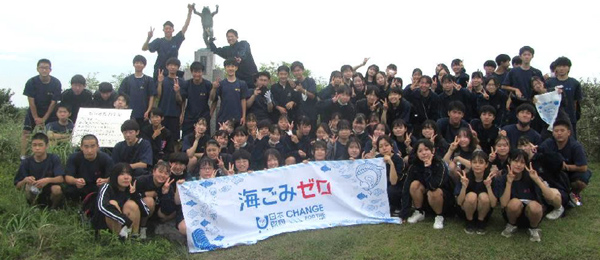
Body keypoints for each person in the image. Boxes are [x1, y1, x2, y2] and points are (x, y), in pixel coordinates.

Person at [494, 150, 560, 242]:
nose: (518, 165)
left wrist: (537, 180)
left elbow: (550, 197)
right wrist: (509, 182)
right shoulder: (502, 178)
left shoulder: (530, 176)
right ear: (509, 161)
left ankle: (533, 228)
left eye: (522, 162)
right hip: (511, 214)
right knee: (514, 203)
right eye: (516, 161)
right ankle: (511, 225)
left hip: (532, 214)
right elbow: (503, 204)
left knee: (535, 206)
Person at [403, 139, 454, 229]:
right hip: (426, 197)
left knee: (433, 192)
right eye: (420, 151)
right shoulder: (414, 166)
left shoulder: (440, 164)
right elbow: (406, 187)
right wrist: (404, 212)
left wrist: (428, 168)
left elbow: (433, 186)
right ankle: (419, 212)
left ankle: (439, 216)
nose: (424, 153)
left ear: (432, 151)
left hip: (443, 198)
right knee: (414, 185)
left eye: (426, 149)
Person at [538, 119, 591, 207]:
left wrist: (566, 167)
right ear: (553, 133)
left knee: (581, 180)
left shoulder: (576, 146)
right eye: (556, 131)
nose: (559, 133)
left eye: (562, 131)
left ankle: (574, 194)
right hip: (553, 172)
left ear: (569, 132)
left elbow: (583, 167)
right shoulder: (548, 143)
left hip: (571, 172)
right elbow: (539, 153)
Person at [21, 59, 62, 159]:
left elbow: (53, 103)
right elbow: (31, 101)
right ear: (38, 69)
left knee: (51, 134)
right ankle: (23, 156)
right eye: (42, 68)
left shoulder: (56, 83)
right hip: (34, 110)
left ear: (50, 70)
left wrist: (44, 119)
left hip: (50, 111)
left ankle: (51, 156)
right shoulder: (31, 82)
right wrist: (36, 118)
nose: (44, 70)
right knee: (26, 132)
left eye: (46, 68)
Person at [96, 163, 150, 240]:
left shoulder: (131, 189)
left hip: (126, 224)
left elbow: (146, 212)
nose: (126, 177)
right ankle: (120, 239)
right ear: (115, 176)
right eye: (122, 174)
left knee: (131, 204)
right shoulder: (106, 187)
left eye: (129, 174)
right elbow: (102, 207)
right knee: (112, 203)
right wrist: (124, 219)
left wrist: (135, 195)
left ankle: (134, 237)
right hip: (105, 225)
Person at [142, 4, 193, 80]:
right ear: (163, 30)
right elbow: (144, 48)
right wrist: (149, 38)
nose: (168, 30)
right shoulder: (159, 41)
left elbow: (185, 26)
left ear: (173, 30)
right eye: (166, 28)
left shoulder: (176, 40)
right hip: (160, 71)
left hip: (172, 70)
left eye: (170, 28)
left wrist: (190, 12)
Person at [14, 133, 65, 208]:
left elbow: (61, 178)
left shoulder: (54, 158)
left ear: (46, 146)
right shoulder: (26, 162)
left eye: (40, 145)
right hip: (33, 190)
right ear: (31, 146)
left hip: (49, 190)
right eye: (34, 145)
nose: (37, 148)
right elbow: (17, 186)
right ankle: (33, 208)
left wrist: (47, 180)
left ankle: (53, 209)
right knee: (28, 187)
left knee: (57, 189)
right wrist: (25, 180)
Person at [455, 151, 498, 234]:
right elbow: (459, 202)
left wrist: (488, 187)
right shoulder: (465, 177)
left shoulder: (490, 178)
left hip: (484, 211)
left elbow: (493, 204)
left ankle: (481, 222)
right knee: (472, 196)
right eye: (474, 162)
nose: (477, 165)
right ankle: (469, 222)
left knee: (484, 196)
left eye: (481, 162)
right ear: (471, 164)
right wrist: (464, 186)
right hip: (466, 210)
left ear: (486, 165)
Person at [64, 134, 113, 201]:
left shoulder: (106, 159)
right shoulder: (74, 158)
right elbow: (67, 177)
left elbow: (113, 177)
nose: (89, 150)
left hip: (97, 187)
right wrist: (75, 181)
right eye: (86, 147)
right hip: (80, 187)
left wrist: (105, 181)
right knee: (69, 191)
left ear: (98, 147)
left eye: (93, 146)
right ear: (81, 147)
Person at [545, 56, 582, 139]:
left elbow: (575, 102)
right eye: (559, 66)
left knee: (571, 142)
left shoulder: (574, 83)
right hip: (552, 118)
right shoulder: (549, 82)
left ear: (569, 68)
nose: (561, 68)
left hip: (570, 118)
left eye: (564, 66)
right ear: (556, 68)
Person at [119, 55, 157, 129]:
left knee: (143, 133)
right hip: (129, 113)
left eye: (141, 63)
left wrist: (148, 111)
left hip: (143, 114)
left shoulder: (149, 80)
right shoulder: (127, 80)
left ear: (144, 65)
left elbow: (152, 96)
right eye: (137, 63)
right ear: (133, 64)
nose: (139, 65)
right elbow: (121, 95)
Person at [210, 58, 248, 126]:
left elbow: (243, 100)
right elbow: (212, 99)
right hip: (223, 117)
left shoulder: (242, 83)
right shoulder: (221, 84)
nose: (230, 68)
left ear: (236, 68)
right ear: (225, 68)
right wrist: (213, 88)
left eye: (232, 66)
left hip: (237, 118)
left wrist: (244, 116)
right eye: (228, 66)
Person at [181, 62, 212, 138]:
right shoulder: (186, 84)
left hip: (204, 115)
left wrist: (210, 113)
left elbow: (214, 99)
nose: (197, 74)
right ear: (191, 72)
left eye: (199, 72)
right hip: (189, 116)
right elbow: (183, 100)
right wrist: (182, 114)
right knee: (187, 137)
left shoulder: (207, 84)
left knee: (205, 139)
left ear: (202, 72)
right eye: (195, 72)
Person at [157, 57, 185, 140]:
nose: (173, 67)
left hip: (175, 114)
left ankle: (174, 153)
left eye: (175, 65)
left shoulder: (182, 81)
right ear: (167, 66)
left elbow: (182, 100)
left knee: (175, 139)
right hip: (163, 113)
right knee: (162, 137)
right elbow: (158, 95)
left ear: (178, 67)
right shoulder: (163, 80)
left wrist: (182, 114)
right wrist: (159, 82)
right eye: (171, 65)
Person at [376, 135, 403, 218]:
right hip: (381, 185)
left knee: (392, 189)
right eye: (381, 146)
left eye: (386, 145)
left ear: (392, 146)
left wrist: (391, 163)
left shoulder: (398, 159)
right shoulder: (377, 158)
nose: (384, 148)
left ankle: (397, 207)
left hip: (396, 187)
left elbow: (394, 181)